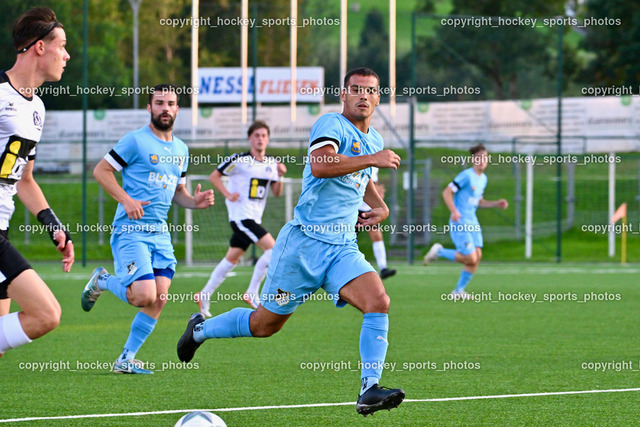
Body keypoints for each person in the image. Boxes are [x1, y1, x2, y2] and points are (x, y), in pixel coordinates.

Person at [178, 67, 405, 416]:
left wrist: (381, 206)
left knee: (379, 301)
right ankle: (200, 330)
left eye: (370, 90)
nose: (363, 95)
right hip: (303, 247)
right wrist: (373, 159)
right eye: (355, 89)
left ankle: (369, 389)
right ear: (343, 95)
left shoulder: (373, 139)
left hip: (342, 247)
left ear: (378, 98)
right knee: (264, 325)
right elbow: (321, 164)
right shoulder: (331, 124)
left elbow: (363, 179)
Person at [82, 84, 214, 374]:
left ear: (177, 109)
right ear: (149, 107)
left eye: (170, 103)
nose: (165, 108)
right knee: (143, 295)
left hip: (160, 234)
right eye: (159, 102)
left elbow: (178, 192)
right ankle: (102, 281)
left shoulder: (181, 149)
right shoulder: (135, 141)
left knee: (160, 298)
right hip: (131, 230)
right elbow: (101, 171)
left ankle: (125, 359)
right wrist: (126, 200)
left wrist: (195, 202)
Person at [0, 7, 74, 357]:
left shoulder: (37, 109)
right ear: (40, 47)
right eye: (62, 46)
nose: (67, 55)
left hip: (3, 227)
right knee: (46, 314)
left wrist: (53, 224)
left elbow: (24, 179)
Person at [196, 120, 286, 315]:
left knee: (232, 259)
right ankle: (252, 292)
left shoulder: (272, 163)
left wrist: (280, 175)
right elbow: (214, 176)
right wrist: (228, 194)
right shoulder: (239, 160)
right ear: (250, 138)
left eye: (263, 135)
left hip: (254, 218)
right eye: (256, 135)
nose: (260, 139)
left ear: (268, 139)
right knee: (274, 250)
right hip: (242, 217)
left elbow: (277, 192)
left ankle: (204, 294)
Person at [423, 144, 508, 299]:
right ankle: (439, 252)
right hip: (460, 221)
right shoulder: (466, 176)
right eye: (478, 158)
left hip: (472, 221)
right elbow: (447, 192)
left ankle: (458, 291)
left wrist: (496, 203)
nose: (481, 161)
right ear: (473, 160)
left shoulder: (483, 179)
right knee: (470, 258)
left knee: (477, 256)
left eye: (484, 157)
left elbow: (478, 201)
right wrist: (454, 211)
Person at [357, 166, 395, 279]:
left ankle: (383, 268)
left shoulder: (375, 162)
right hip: (356, 206)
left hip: (368, 207)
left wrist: (377, 193)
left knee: (376, 235)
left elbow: (372, 182)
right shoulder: (362, 158)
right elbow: (361, 182)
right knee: (348, 238)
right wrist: (375, 192)